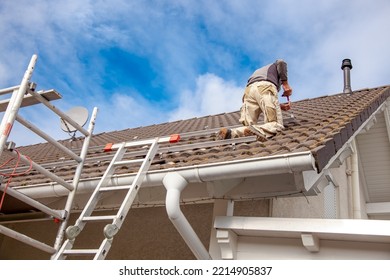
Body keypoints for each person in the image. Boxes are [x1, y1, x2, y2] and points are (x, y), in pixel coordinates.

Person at [217, 59, 292, 141]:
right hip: (264, 87)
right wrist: (285, 84)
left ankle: (231, 133)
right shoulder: (274, 68)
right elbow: (281, 62)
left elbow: (260, 99)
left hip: (248, 91)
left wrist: (279, 106)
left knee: (248, 126)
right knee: (276, 124)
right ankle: (257, 130)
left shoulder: (261, 71)